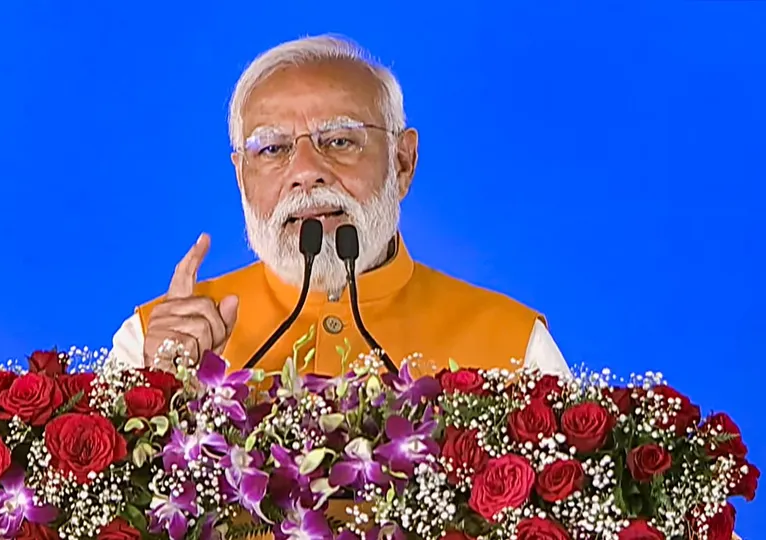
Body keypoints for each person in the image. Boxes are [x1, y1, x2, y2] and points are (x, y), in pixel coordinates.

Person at [110, 35, 569, 379]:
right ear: (240, 176)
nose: (307, 171)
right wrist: (160, 388)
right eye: (272, 149)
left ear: (403, 162)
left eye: (340, 141)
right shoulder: (153, 340)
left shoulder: (513, 345)